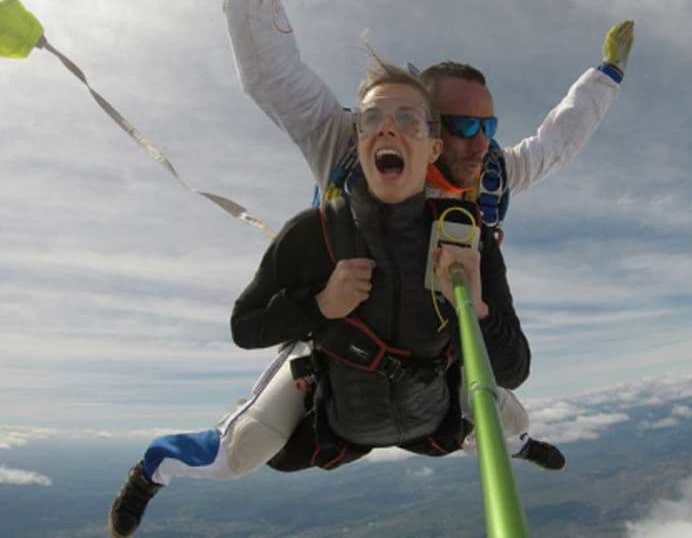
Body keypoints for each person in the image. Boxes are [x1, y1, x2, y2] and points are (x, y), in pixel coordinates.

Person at [220, 0, 631, 463]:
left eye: (489, 126)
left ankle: (516, 442)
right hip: (345, 331)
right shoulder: (353, 143)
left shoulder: (490, 175)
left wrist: (606, 77)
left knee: (501, 409)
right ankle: (166, 466)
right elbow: (274, 77)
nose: (481, 143)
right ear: (427, 125)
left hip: (434, 347)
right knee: (246, 448)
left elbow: (558, 142)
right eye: (463, 127)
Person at [109, 56, 530, 537]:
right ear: (359, 140)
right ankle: (153, 469)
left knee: (512, 421)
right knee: (238, 453)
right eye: (372, 119)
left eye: (408, 119)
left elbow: (514, 368)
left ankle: (522, 447)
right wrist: (320, 306)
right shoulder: (315, 234)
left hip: (428, 408)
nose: (388, 130)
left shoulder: (464, 234)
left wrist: (473, 310)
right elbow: (244, 327)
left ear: (433, 147)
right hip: (339, 404)